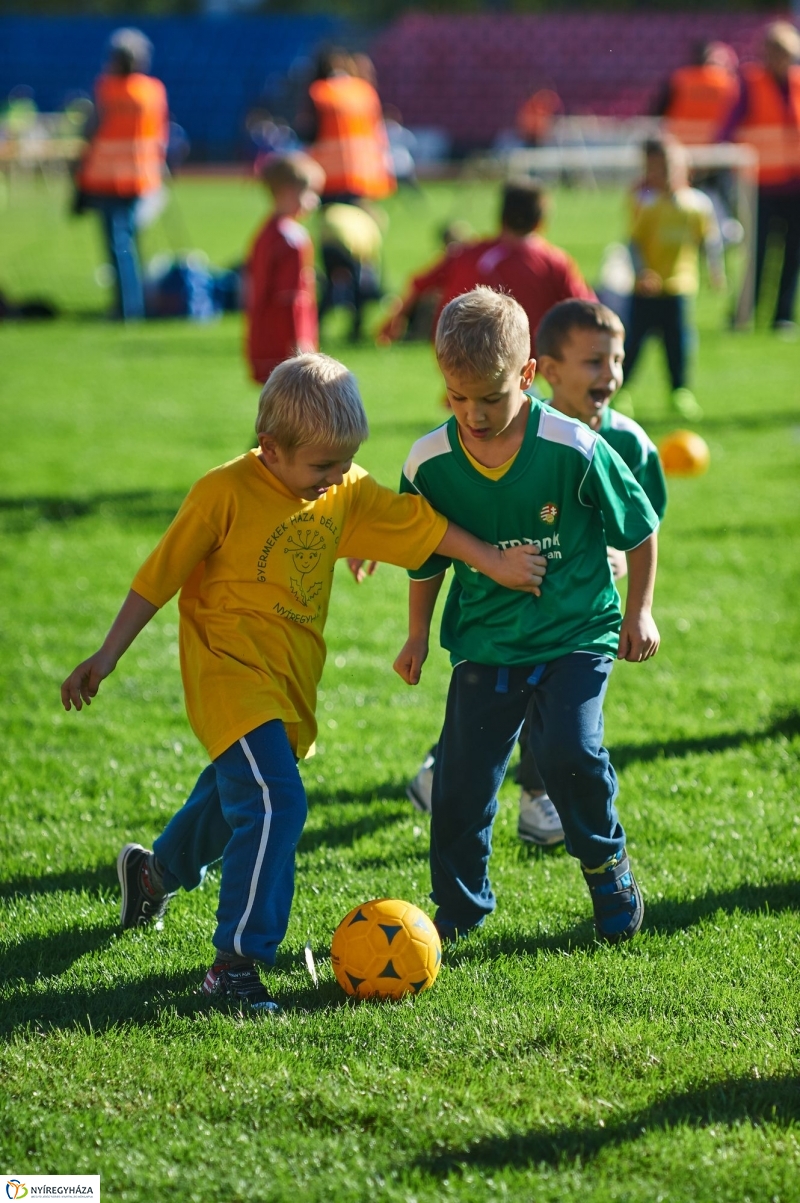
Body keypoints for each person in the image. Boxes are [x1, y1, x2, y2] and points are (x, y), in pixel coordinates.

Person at [60, 353, 547, 1014]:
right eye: (321, 466)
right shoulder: (222, 493)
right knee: (275, 804)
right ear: (270, 449)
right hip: (228, 673)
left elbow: (421, 526)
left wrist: (491, 560)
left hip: (290, 680)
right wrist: (106, 655)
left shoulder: (341, 486)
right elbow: (158, 576)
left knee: (240, 794)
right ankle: (236, 966)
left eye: (344, 463)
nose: (337, 477)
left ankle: (152, 874)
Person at [393, 288, 660, 945]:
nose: (474, 415)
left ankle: (607, 868)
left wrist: (641, 612)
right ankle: (457, 910)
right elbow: (424, 553)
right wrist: (417, 634)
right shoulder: (429, 462)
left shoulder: (573, 445)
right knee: (459, 781)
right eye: (458, 399)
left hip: (576, 631)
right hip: (486, 641)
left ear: (528, 376)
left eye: (491, 397)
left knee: (567, 748)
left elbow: (640, 526)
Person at [378, 179, 594, 357]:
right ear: (541, 223)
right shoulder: (555, 262)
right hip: (526, 357)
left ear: (501, 218)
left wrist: (393, 321)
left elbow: (419, 283)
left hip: (459, 352)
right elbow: (587, 309)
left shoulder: (466, 254)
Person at [622, 137, 725, 420]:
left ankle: (680, 392)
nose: (664, 174)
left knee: (678, 344)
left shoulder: (697, 205)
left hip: (680, 287)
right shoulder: (648, 204)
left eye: (670, 168)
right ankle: (622, 391)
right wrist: (642, 272)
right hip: (646, 290)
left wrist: (716, 272)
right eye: (658, 168)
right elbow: (634, 242)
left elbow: (710, 241)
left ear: (684, 170)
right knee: (633, 344)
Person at [76, 28, 168, 321]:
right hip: (141, 177)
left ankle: (127, 309)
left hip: (107, 178)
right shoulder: (153, 90)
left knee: (117, 245)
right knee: (130, 242)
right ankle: (135, 303)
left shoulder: (107, 88)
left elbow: (91, 129)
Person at [718, 21, 800, 330]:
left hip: (795, 185)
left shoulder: (797, 83)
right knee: (758, 254)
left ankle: (783, 316)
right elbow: (727, 128)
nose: (781, 60)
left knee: (792, 254)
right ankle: (743, 314)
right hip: (761, 186)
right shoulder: (750, 84)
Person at [245, 152, 325, 385]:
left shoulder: (264, 233)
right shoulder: (293, 239)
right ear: (290, 192)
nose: (315, 201)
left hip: (264, 336)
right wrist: (300, 343)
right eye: (311, 193)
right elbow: (291, 298)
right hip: (287, 342)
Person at [299, 49, 395, 205]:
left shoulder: (320, 93)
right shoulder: (364, 90)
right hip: (366, 173)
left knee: (335, 222)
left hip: (332, 175)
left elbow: (309, 132)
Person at [317, 200, 384, 342]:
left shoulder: (347, 212)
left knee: (329, 286)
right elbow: (369, 261)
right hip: (349, 248)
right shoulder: (370, 225)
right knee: (357, 289)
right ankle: (356, 328)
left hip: (327, 244)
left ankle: (317, 324)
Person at [657, 41, 740, 146]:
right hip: (713, 144)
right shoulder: (727, 83)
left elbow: (658, 112)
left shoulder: (679, 79)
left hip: (680, 144)